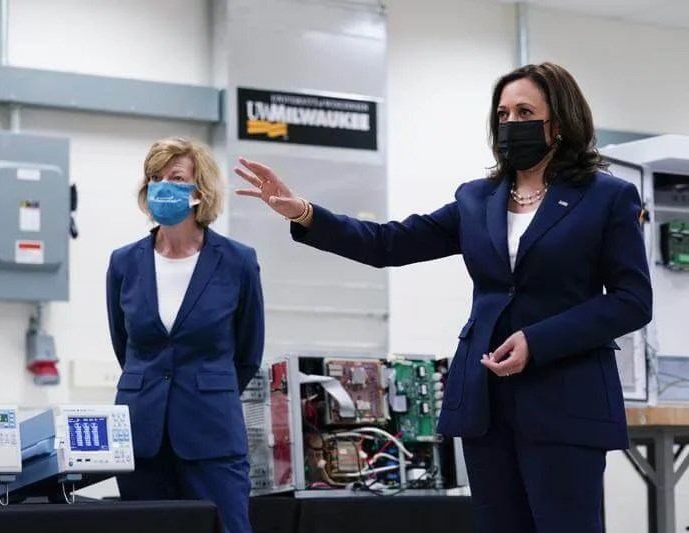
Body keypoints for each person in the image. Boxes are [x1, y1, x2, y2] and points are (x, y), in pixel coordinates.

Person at [234, 62, 652, 533]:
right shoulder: (477, 199)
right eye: (503, 114)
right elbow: (387, 243)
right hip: (485, 403)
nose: (511, 123)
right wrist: (306, 212)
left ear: (560, 122)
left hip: (566, 399)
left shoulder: (607, 197)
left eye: (525, 111)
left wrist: (538, 341)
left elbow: (631, 299)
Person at [106, 136, 264, 533]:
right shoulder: (124, 262)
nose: (163, 186)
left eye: (175, 177)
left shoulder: (237, 261)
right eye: (155, 178)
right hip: (142, 434)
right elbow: (126, 347)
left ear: (200, 190)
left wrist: (207, 388)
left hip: (211, 433)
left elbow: (247, 352)